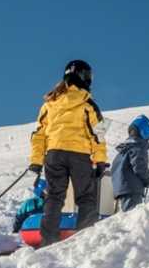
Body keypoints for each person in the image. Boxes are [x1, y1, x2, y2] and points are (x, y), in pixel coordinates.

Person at [28, 59, 108, 246]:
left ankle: (48, 241)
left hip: (54, 155)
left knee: (54, 197)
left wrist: (36, 162)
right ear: (83, 77)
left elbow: (39, 135)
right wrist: (100, 160)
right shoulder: (88, 103)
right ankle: (84, 240)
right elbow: (98, 134)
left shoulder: (49, 103)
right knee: (86, 196)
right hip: (79, 155)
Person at [111, 114, 149, 212]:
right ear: (145, 133)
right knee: (132, 218)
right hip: (132, 189)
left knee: (124, 219)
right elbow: (140, 167)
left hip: (120, 190)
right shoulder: (138, 147)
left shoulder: (124, 149)